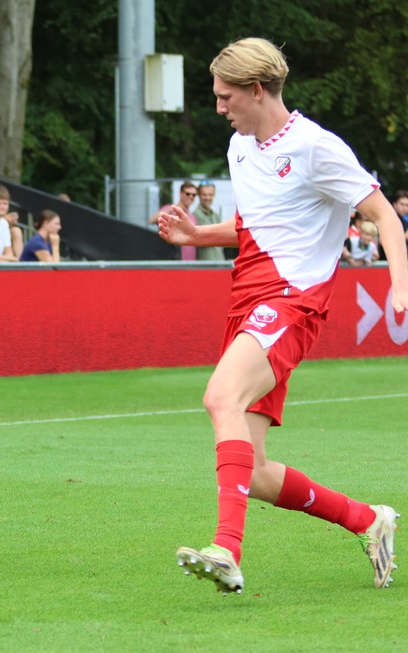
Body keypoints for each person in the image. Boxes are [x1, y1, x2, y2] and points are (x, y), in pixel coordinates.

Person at [157, 37, 408, 595]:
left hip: (292, 304)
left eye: (226, 97)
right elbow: (259, 225)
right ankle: (369, 520)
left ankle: (227, 549)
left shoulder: (318, 147)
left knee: (220, 398)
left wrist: (398, 285)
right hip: (246, 301)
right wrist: (197, 234)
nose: (218, 107)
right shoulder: (240, 147)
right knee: (257, 471)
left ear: (255, 89)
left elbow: (382, 216)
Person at [152, 181, 198, 261]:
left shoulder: (192, 217)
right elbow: (153, 220)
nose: (191, 197)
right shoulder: (170, 209)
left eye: (193, 195)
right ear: (181, 193)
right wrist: (173, 208)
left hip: (190, 261)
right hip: (173, 259)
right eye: (188, 194)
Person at [192, 181, 225, 261]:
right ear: (199, 195)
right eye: (204, 195)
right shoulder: (194, 216)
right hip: (204, 265)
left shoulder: (216, 216)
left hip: (220, 262)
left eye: (210, 195)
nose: (208, 198)